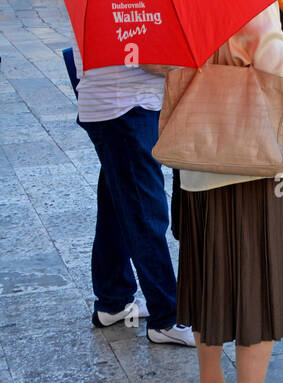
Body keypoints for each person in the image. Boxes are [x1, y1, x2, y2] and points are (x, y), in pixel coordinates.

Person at [175, 3, 283, 383]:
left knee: (209, 275)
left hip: (199, 156)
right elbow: (279, 64)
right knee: (257, 282)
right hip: (254, 165)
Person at [71, 36, 195, 346]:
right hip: (124, 108)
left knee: (117, 205)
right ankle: (166, 317)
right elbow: (151, 61)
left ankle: (113, 300)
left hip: (115, 106)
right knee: (146, 213)